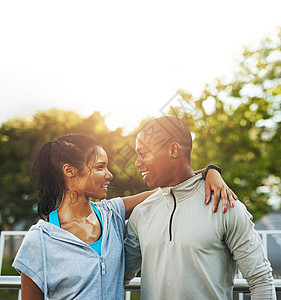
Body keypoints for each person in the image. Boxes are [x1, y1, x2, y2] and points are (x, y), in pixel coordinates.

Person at [13, 133, 234, 300]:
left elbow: (163, 191)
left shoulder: (112, 214)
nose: (109, 175)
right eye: (100, 167)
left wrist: (209, 171)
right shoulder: (39, 241)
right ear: (70, 171)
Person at [124, 116, 276, 300]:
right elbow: (118, 277)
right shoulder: (141, 213)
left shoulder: (225, 205)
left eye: (143, 153)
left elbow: (261, 280)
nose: (137, 163)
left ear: (173, 150)